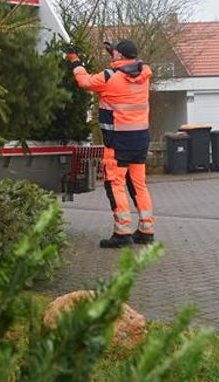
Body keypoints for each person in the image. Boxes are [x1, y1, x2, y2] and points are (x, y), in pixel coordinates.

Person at [66, 39, 154, 247]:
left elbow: (84, 81)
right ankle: (146, 230)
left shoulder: (108, 77)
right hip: (140, 140)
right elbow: (126, 69)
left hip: (117, 144)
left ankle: (122, 233)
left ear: (120, 56)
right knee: (138, 185)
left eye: (115, 53)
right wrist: (114, 52)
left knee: (115, 184)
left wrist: (74, 61)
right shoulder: (144, 76)